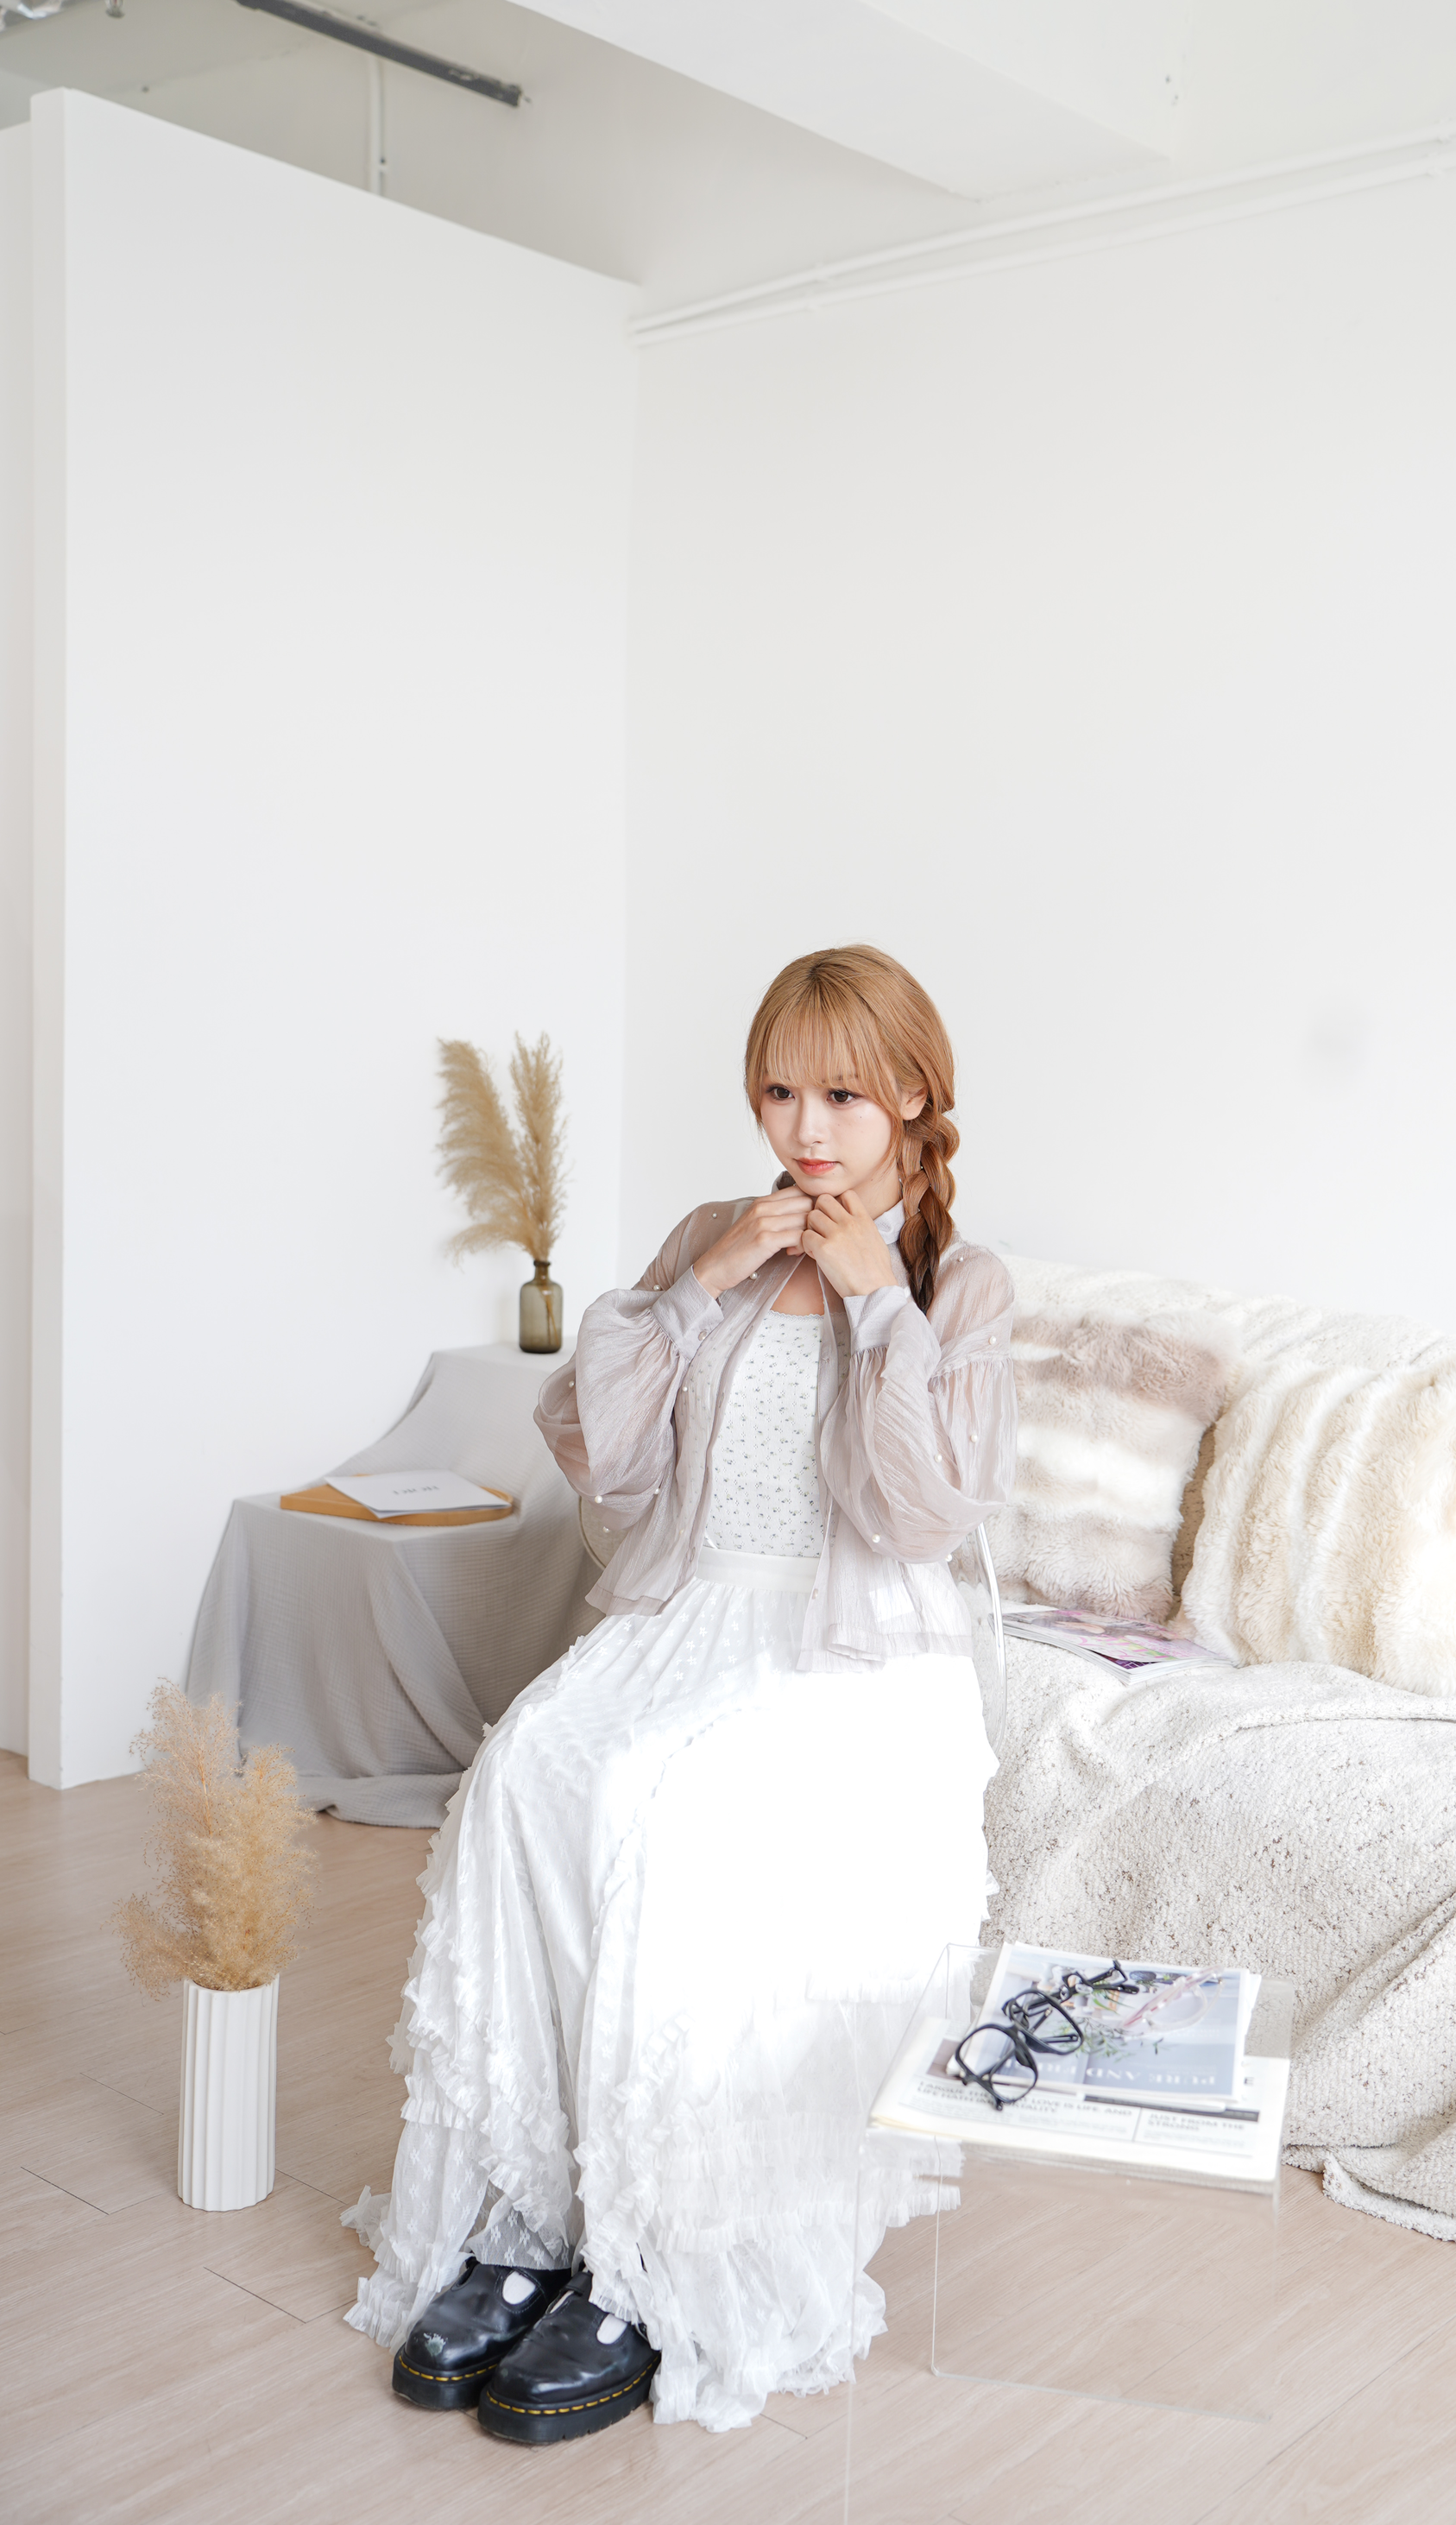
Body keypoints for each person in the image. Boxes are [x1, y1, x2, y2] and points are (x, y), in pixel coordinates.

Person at [344, 945, 1018, 2439]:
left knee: (665, 1809)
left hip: (849, 1652)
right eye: (778, 1092)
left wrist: (875, 1307)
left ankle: (647, 2258)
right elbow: (593, 1440)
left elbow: (925, 1512)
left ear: (913, 1096)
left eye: (842, 1095)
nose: (805, 1128)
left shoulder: (956, 1283)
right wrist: (703, 1282)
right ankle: (530, 2211)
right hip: (692, 1610)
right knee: (528, 1766)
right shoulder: (714, 1233)